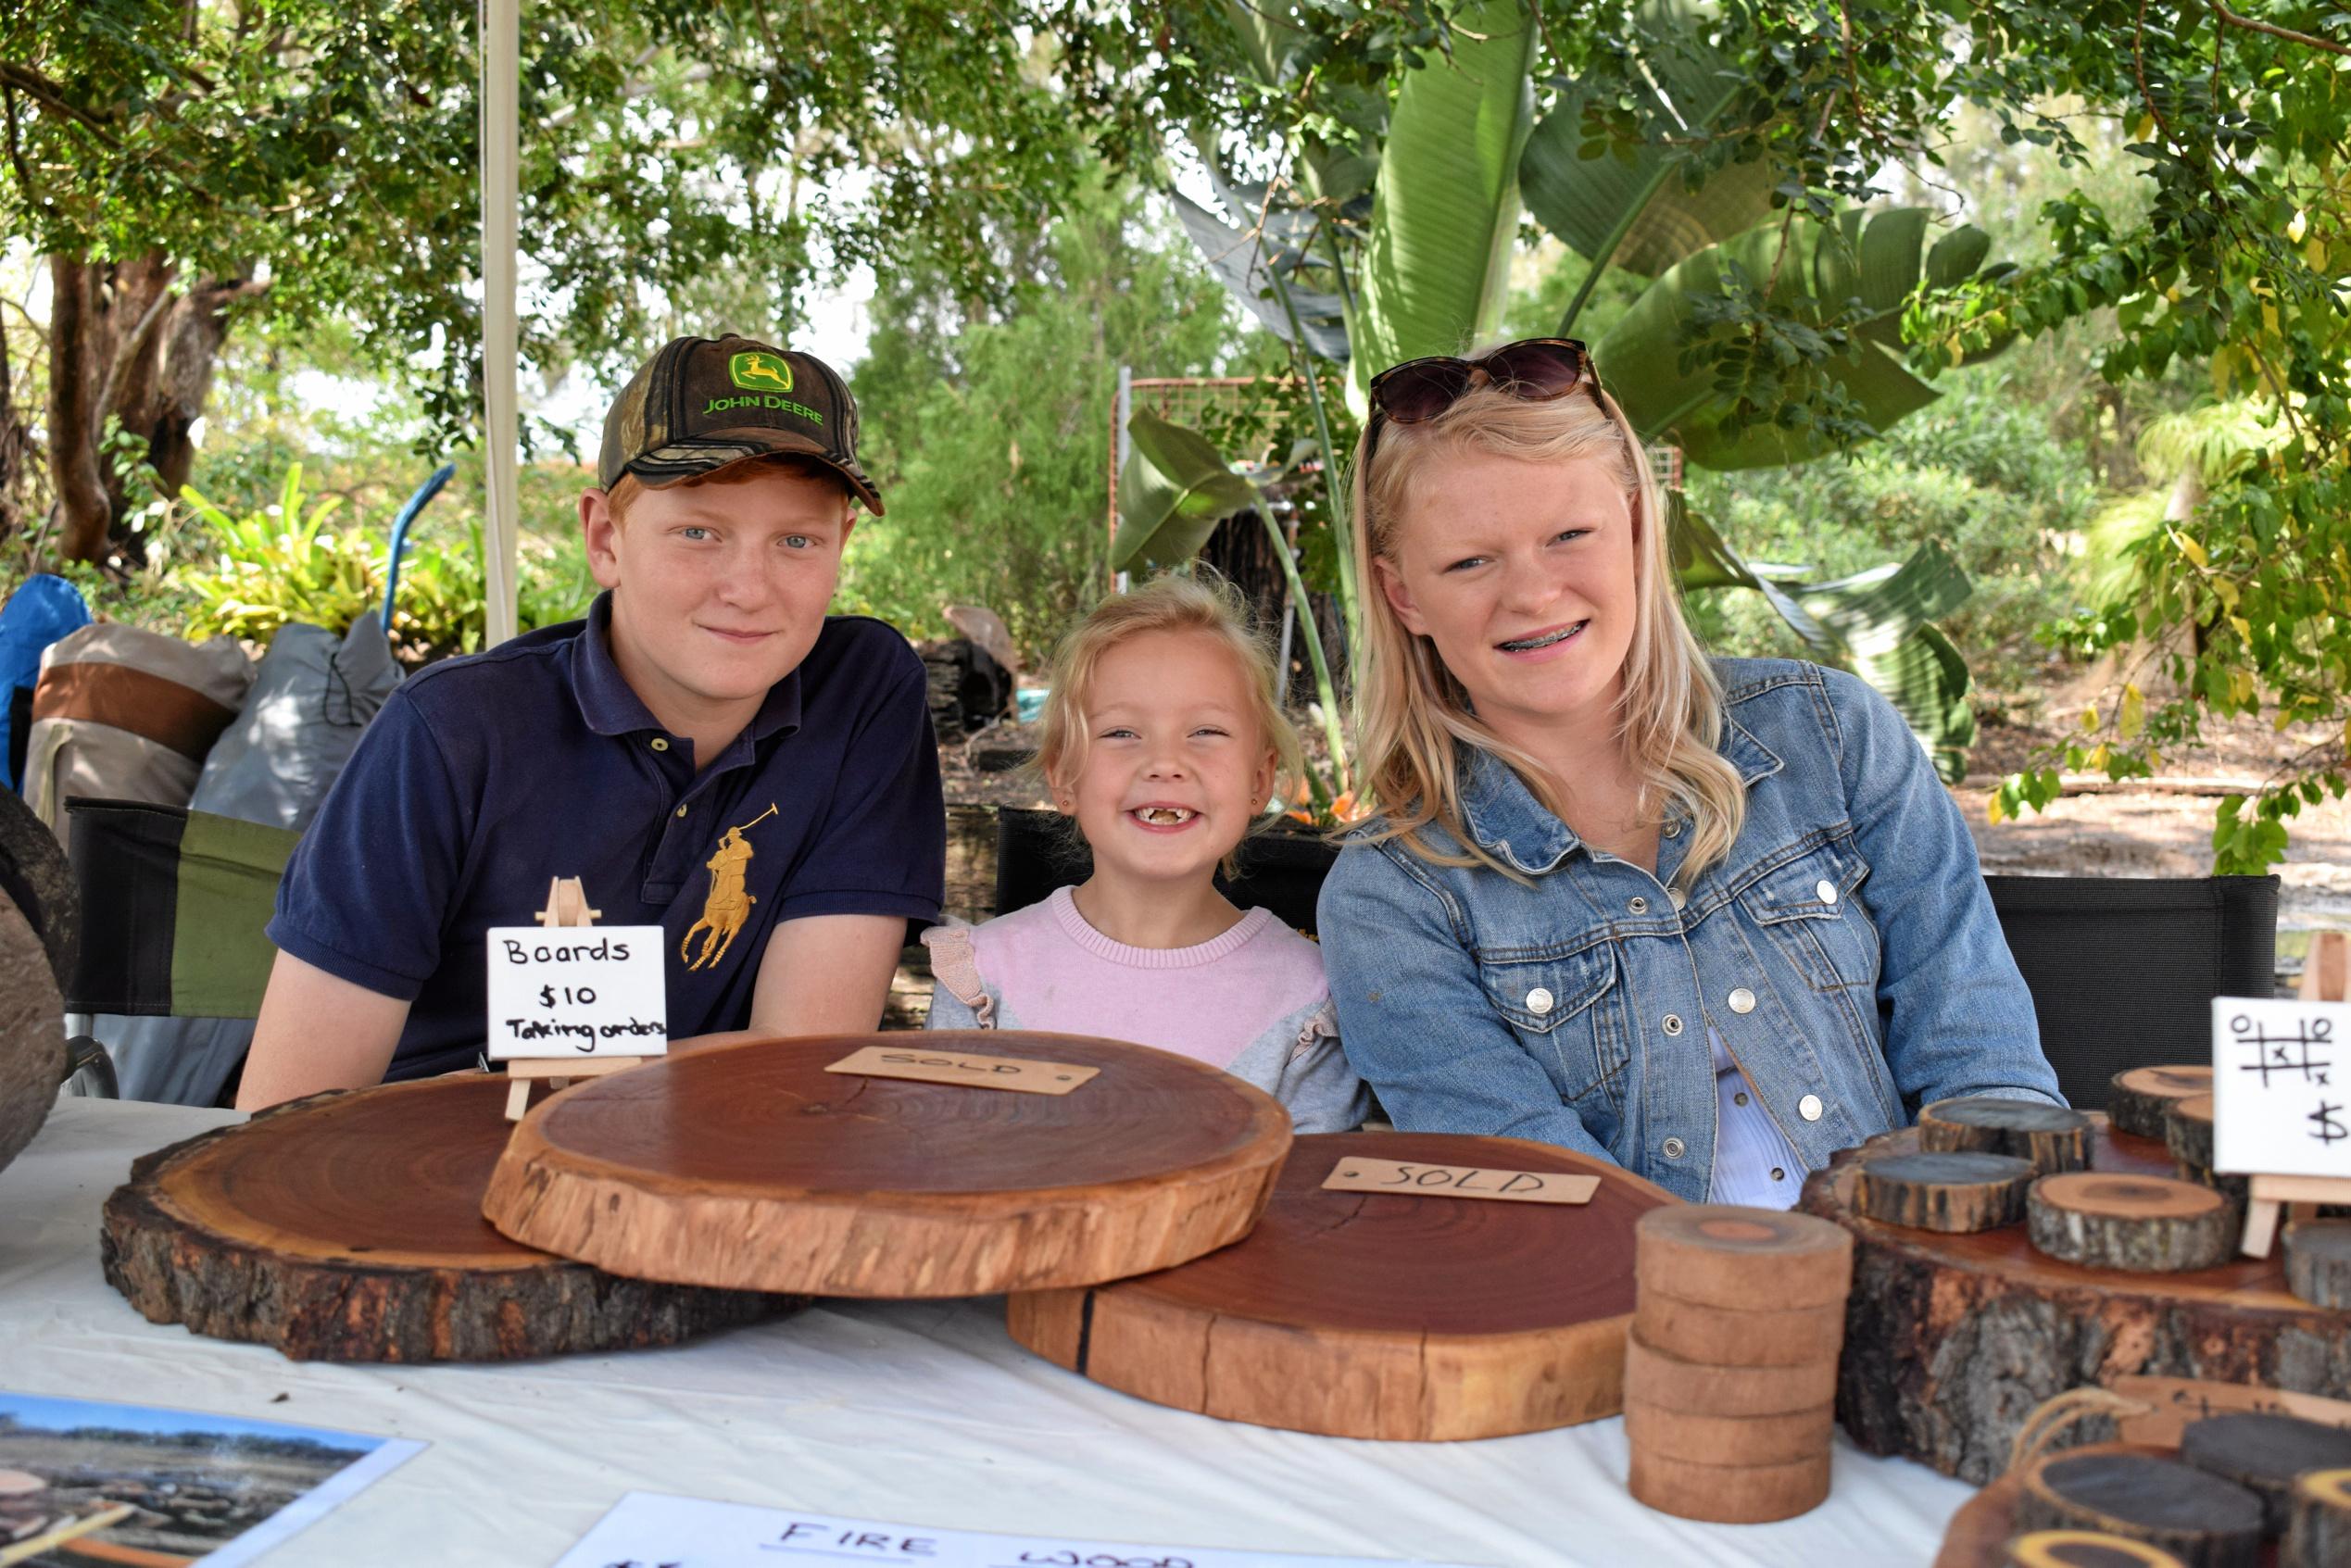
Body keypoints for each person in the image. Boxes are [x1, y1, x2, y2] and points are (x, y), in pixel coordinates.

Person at [1314, 338, 2059, 1204]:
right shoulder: (1394, 898)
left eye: (1569, 535)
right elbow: (1551, 1204)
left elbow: (1984, 1063)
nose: (1532, 593)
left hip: (1912, 1269)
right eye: (1470, 561)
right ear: (1404, 594)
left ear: (1635, 527)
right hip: (1643, 1312)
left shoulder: (1831, 734)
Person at [236, 334, 945, 1109]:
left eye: (796, 541)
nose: (748, 587)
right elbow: (286, 1113)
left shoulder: (860, 692)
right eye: (698, 532)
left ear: (841, 546)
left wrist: (575, 1093)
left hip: (718, 1173)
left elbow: (801, 1053)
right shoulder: (453, 733)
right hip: (430, 1180)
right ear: (606, 538)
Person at [923, 574, 1365, 1133]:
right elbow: (943, 1172)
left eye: (1205, 730)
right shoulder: (983, 978)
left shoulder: (1308, 999)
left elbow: (1307, 1206)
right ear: (1064, 777)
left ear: (1259, 779)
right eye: (1122, 733)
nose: (1164, 761)